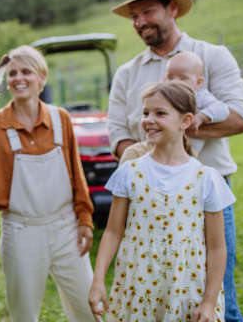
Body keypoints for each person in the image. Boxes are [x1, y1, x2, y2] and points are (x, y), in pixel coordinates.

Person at [107, 0, 243, 322]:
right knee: (154, 291)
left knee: (217, 295)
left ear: (172, 7)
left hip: (207, 194)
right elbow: (117, 133)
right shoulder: (127, 74)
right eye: (134, 16)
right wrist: (148, 162)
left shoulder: (211, 56)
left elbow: (242, 117)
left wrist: (185, 136)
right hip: (147, 200)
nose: (140, 22)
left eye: (147, 12)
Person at [89, 81, 234, 322]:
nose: (148, 119)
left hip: (189, 292)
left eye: (160, 113)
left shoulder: (206, 178)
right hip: (137, 290)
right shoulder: (129, 172)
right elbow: (113, 232)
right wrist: (97, 281)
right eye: (146, 112)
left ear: (185, 121)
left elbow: (217, 247)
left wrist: (208, 302)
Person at [0, 45, 95, 322]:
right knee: (24, 314)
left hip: (66, 227)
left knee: (88, 309)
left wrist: (85, 218)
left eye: (26, 72)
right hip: (21, 232)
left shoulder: (60, 119)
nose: (18, 78)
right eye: (12, 73)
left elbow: (76, 174)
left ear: (42, 77)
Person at [119, 51, 230, 165]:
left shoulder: (201, 96)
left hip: (189, 151)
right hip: (160, 147)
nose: (175, 82)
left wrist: (202, 117)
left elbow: (222, 109)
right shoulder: (164, 96)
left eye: (182, 78)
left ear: (198, 82)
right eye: (170, 77)